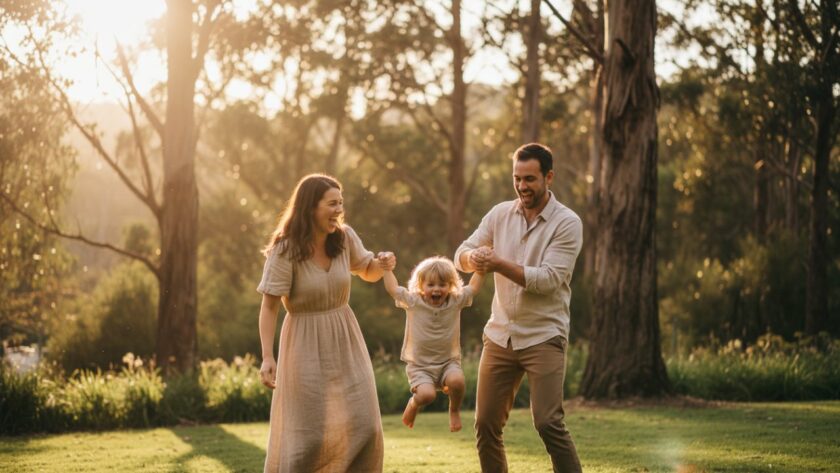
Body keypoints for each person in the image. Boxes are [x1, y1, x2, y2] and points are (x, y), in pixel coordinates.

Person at [455, 143, 584, 473]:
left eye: (530, 179)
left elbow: (548, 280)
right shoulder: (500, 214)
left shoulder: (567, 223)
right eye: (517, 179)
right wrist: (475, 258)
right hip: (500, 335)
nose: (522, 187)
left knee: (548, 423)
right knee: (485, 425)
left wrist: (497, 262)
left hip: (544, 335)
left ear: (548, 177)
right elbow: (462, 253)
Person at [256, 174, 392, 473]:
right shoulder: (285, 249)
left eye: (340, 203)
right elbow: (269, 306)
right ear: (310, 207)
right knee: (309, 437)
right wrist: (268, 356)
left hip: (345, 336)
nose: (338, 210)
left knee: (366, 425)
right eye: (331, 204)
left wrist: (381, 264)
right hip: (303, 341)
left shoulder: (343, 238)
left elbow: (367, 270)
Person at [379, 256, 484, 432]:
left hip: (448, 362)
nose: (437, 289)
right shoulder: (414, 301)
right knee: (427, 396)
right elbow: (393, 289)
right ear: (421, 286)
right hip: (420, 366)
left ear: (450, 286)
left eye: (442, 285)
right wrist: (387, 268)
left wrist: (481, 268)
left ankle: (454, 410)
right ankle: (414, 403)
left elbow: (473, 287)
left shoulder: (455, 301)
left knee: (457, 382)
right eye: (431, 285)